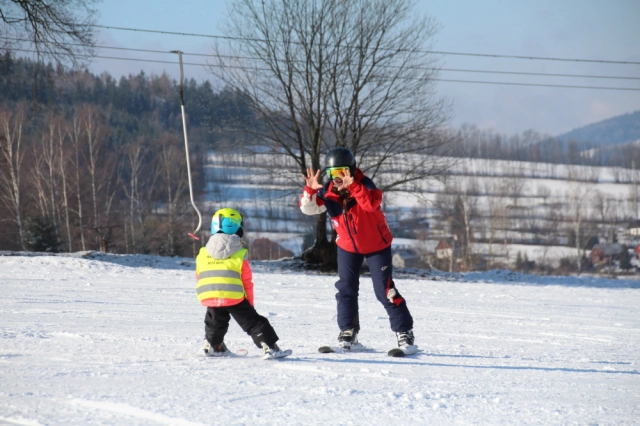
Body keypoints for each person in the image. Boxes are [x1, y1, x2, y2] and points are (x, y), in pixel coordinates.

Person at [300, 147, 417, 353]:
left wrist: (353, 186)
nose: (337, 178)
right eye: (332, 173)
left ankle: (404, 333)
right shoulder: (328, 192)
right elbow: (308, 209)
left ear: (352, 170)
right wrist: (310, 190)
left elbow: (371, 205)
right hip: (347, 246)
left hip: (376, 246)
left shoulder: (365, 185)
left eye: (342, 172)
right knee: (345, 289)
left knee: (385, 291)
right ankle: (348, 333)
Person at [195, 207, 290, 359]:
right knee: (254, 323)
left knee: (215, 321)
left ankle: (214, 346)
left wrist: (208, 292)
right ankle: (270, 347)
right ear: (237, 228)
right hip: (233, 295)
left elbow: (199, 276)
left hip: (208, 293)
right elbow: (247, 282)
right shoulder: (239, 253)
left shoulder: (202, 252)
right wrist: (249, 303)